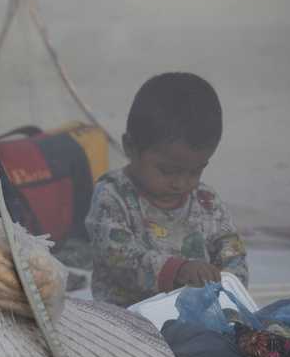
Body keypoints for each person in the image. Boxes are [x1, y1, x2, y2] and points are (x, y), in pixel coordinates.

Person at [85, 72, 249, 307]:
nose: (181, 183)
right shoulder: (112, 195)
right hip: (128, 317)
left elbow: (231, 249)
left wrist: (229, 283)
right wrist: (177, 270)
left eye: (195, 171)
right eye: (168, 171)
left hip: (193, 313)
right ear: (130, 147)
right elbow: (117, 256)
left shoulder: (206, 200)